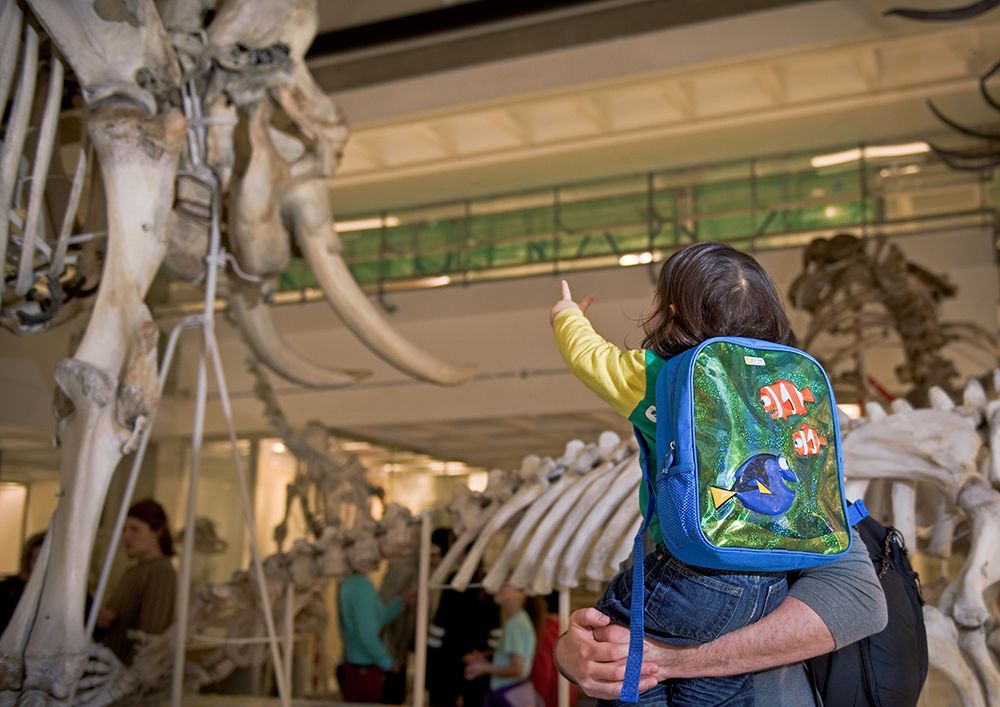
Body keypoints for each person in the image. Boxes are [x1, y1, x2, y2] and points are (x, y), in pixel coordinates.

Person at [551, 242, 803, 705]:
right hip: (771, 579)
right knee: (714, 690)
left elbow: (589, 358)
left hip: (691, 570)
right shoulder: (782, 384)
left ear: (670, 314)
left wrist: (567, 315)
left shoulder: (657, 374)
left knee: (615, 652)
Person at [552, 527, 887, 705]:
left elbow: (857, 600)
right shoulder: (664, 494)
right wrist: (570, 654)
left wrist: (668, 661)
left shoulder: (800, 478)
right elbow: (630, 616)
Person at [96, 499, 177, 665]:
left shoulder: (160, 572)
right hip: (110, 666)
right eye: (124, 529)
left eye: (135, 529)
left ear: (157, 531)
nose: (126, 536)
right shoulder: (135, 570)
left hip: (126, 673)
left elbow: (149, 636)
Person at [337, 560, 416, 702]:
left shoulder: (351, 584)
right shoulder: (361, 586)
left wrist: (401, 602)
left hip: (358, 666)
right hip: (365, 669)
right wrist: (388, 662)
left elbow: (375, 620)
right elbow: (366, 634)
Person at [464, 583, 540, 707]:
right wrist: (484, 661)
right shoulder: (518, 620)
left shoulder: (516, 624)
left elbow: (518, 669)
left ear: (520, 593)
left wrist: (484, 668)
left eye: (505, 584)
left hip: (508, 696)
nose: (498, 586)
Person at [0, 532, 46, 635]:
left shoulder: (73, 595)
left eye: (47, 561)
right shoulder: (7, 589)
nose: (42, 566)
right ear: (28, 561)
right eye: (36, 560)